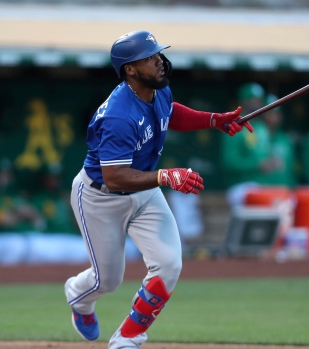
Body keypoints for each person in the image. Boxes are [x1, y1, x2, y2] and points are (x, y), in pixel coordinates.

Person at [62, 30, 253, 348]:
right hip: (100, 196)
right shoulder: (119, 116)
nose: (160, 61)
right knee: (107, 280)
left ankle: (129, 336)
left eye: (158, 54)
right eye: (150, 58)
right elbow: (115, 177)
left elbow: (171, 113)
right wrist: (165, 177)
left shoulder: (157, 89)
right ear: (130, 70)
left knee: (169, 263)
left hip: (144, 188)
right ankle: (77, 298)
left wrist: (213, 120)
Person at [28, 164, 140, 264]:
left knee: (116, 249)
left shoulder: (66, 198)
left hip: (72, 240)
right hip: (48, 240)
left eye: (57, 177)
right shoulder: (38, 199)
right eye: (51, 178)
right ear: (44, 180)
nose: (55, 181)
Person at [221, 92, 297, 207]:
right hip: (242, 185)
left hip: (265, 186)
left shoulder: (262, 129)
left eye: (258, 101)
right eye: (251, 100)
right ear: (242, 102)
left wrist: (271, 164)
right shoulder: (234, 126)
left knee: (288, 201)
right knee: (262, 197)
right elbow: (229, 162)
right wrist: (257, 165)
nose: (255, 104)